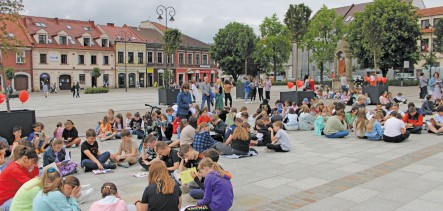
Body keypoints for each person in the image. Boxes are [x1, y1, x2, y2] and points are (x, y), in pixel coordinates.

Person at [0, 146, 39, 210]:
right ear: (25, 158)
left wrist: (35, 167)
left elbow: (33, 180)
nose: (33, 165)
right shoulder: (14, 169)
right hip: (5, 201)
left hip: (11, 197)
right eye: (32, 162)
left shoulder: (20, 166)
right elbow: (31, 184)